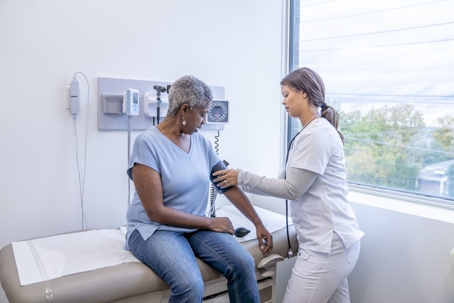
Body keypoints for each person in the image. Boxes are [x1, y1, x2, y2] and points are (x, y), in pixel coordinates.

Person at [213, 67, 364, 303]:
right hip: (335, 246)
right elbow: (283, 182)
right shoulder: (309, 133)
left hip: (327, 249)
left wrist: (242, 177)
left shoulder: (316, 135)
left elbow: (293, 190)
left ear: (304, 93)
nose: (283, 101)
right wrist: (237, 178)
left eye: (286, 94)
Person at [124, 75, 273, 303]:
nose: (205, 121)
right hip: (153, 229)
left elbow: (227, 185)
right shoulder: (147, 144)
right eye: (202, 114)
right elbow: (156, 212)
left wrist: (258, 223)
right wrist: (211, 222)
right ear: (184, 110)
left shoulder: (201, 143)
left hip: (193, 226)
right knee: (190, 286)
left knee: (243, 263)